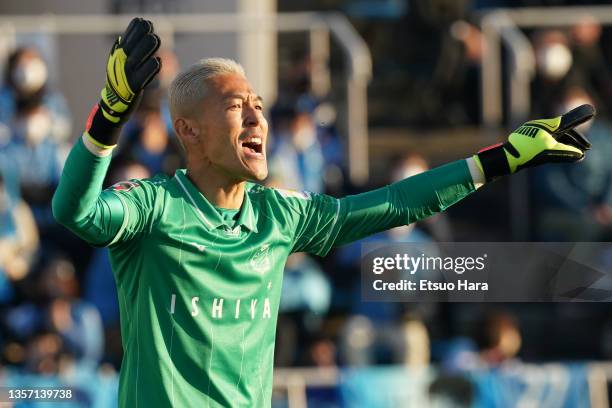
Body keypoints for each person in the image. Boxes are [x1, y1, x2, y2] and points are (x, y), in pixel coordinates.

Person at [52, 18, 594, 407]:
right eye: (236, 107)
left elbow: (395, 202)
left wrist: (498, 160)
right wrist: (110, 114)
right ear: (189, 130)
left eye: (258, 106)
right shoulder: (154, 206)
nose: (256, 117)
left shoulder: (279, 217)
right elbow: (74, 211)